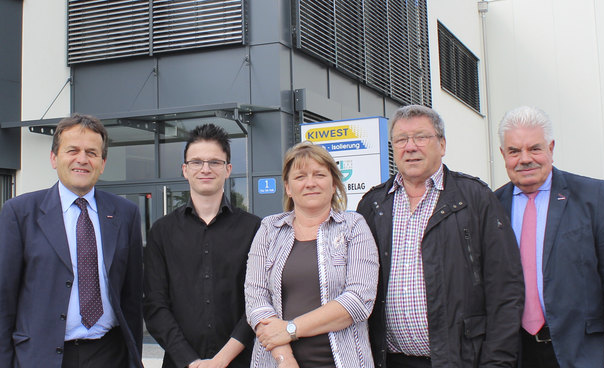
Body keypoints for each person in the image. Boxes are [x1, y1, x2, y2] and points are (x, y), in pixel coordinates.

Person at [356, 105, 524, 367]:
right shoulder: (373, 204)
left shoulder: (476, 198)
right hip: (389, 361)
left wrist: (497, 362)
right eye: (401, 139)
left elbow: (506, 289)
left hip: (460, 360)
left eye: (421, 137)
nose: (410, 147)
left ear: (442, 145)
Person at [494, 106, 604, 368]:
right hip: (516, 355)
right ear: (503, 155)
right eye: (514, 151)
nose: (525, 159)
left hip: (584, 355)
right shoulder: (492, 205)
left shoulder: (592, 196)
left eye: (535, 148)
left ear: (551, 148)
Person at [0, 114, 144, 367]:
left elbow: (131, 299)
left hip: (110, 354)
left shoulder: (125, 213)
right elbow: (4, 300)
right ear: (54, 158)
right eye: (72, 150)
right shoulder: (19, 213)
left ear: (103, 162)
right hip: (40, 357)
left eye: (92, 152)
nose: (82, 159)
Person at [245, 141, 379, 368]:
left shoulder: (353, 226)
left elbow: (358, 300)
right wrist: (285, 358)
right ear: (288, 187)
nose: (310, 183)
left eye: (319, 174)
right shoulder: (269, 229)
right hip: (277, 363)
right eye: (300, 177)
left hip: (342, 361)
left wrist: (291, 329)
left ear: (334, 183)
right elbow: (256, 299)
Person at [143, 124, 261, 368]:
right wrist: (190, 360)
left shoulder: (255, 229)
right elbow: (155, 305)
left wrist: (222, 359)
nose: (205, 169)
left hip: (242, 362)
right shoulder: (162, 231)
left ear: (228, 169)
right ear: (185, 170)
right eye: (196, 162)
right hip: (181, 364)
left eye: (215, 162)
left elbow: (258, 302)